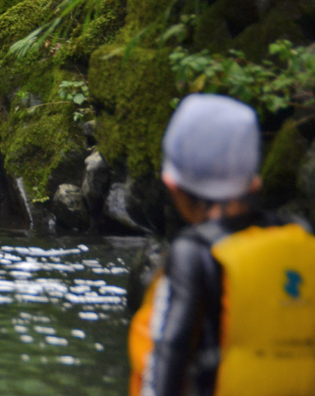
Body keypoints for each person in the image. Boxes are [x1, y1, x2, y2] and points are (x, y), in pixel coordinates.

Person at [128, 94, 315, 396]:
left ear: (173, 185)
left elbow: (167, 359)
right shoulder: (301, 236)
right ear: (254, 181)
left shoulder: (195, 254)